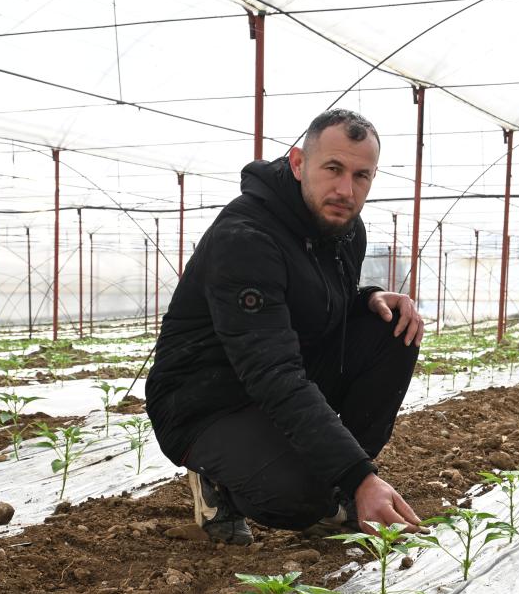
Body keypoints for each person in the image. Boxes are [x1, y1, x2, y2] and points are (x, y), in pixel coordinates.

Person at [144, 109, 424, 545]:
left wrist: (366, 296)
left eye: (361, 176)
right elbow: (272, 373)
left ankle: (340, 490)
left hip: (283, 367)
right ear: (298, 164)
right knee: (302, 499)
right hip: (206, 399)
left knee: (393, 330)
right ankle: (219, 480)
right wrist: (360, 477)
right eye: (333, 169)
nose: (345, 189)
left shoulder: (345, 228)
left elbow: (310, 298)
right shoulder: (246, 238)